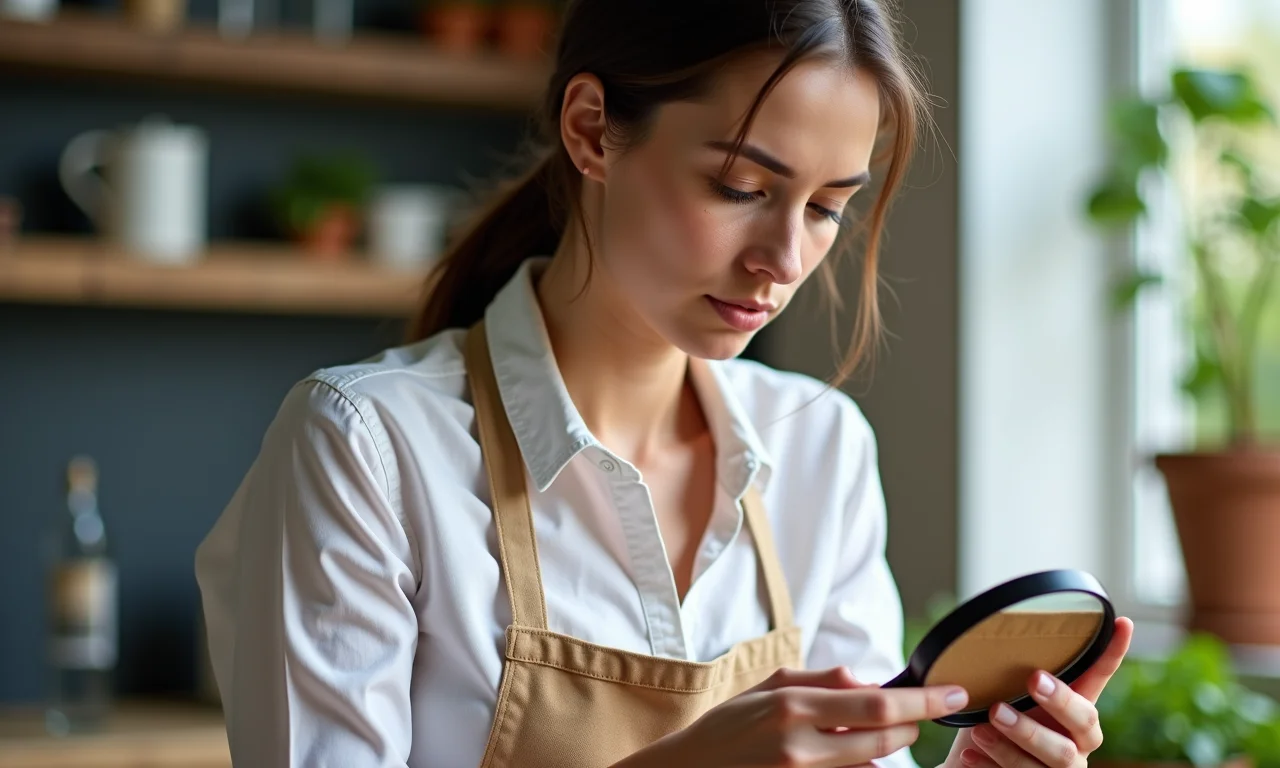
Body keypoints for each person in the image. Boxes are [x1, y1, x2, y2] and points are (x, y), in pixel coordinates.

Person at [195, 1, 1134, 765]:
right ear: (593, 130)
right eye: (740, 187)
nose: (782, 258)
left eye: (827, 208)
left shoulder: (820, 448)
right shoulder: (369, 449)